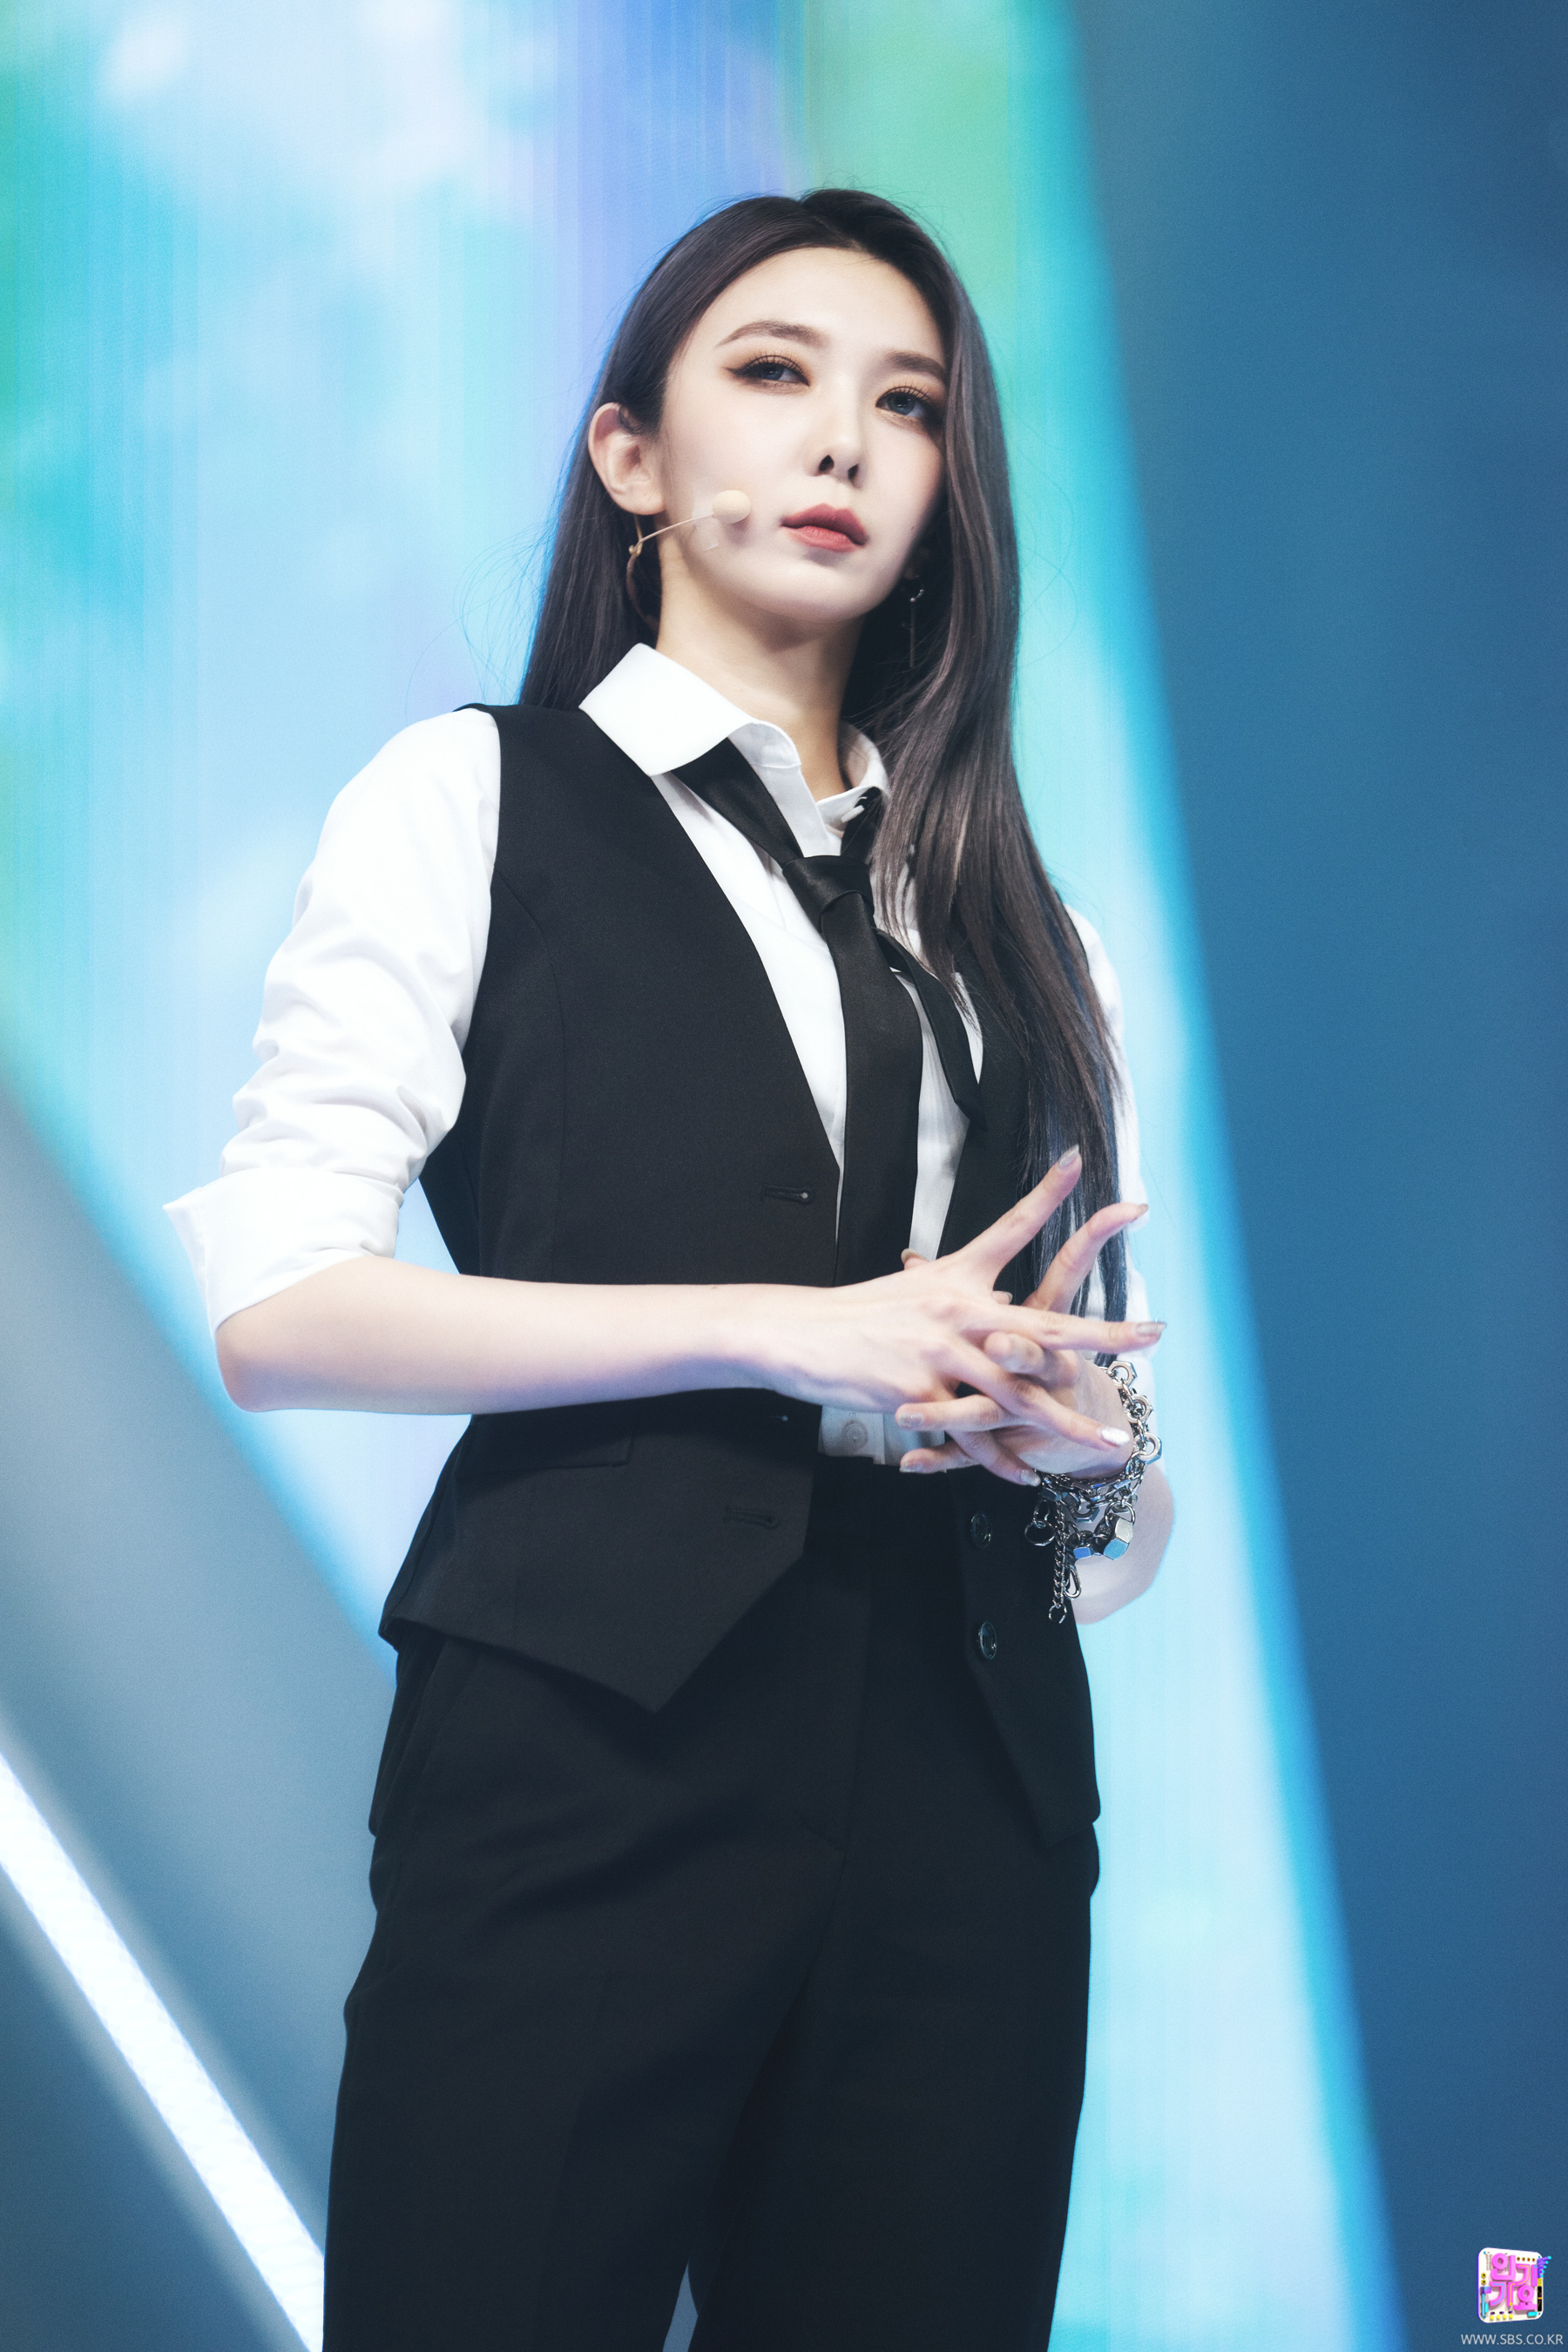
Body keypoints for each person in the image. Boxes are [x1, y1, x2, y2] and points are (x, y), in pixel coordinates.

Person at [168, 188, 1173, 2352]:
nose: (844, 443)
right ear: (630, 454)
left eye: (908, 406)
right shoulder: (471, 796)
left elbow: (1116, 1493)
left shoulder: (1026, 926)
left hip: (973, 1774)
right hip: (589, 1740)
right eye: (775, 374)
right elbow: (281, 1310)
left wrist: (1095, 1459)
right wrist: (778, 1330)